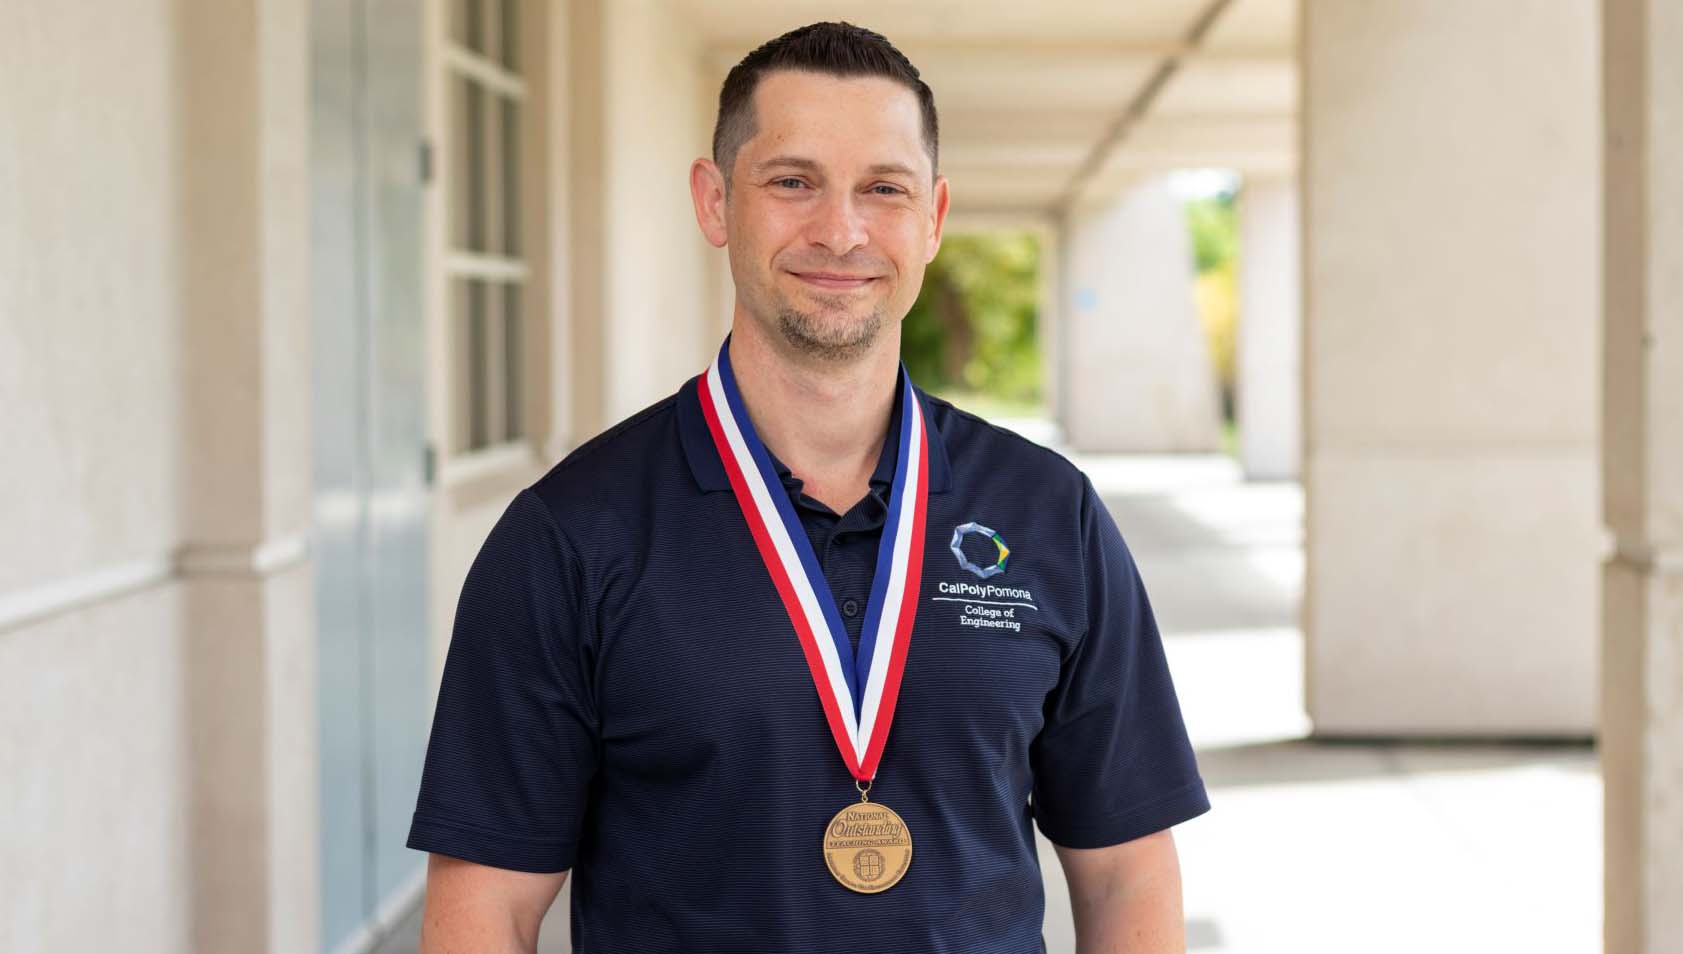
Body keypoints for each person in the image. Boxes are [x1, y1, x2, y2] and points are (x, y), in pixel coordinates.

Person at [407, 20, 1209, 954]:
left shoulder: (1048, 515)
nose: (840, 230)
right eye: (792, 182)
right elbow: (483, 908)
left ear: (934, 216)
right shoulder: (572, 533)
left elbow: (1126, 876)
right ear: (714, 203)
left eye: (884, 188)